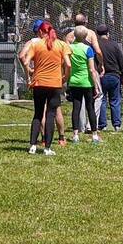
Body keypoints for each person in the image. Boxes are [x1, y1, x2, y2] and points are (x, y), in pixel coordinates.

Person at [23, 20, 70, 155]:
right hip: (55, 84)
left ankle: (32, 145)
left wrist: (29, 75)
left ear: (41, 32)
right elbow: (68, 64)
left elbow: (25, 60)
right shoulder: (61, 45)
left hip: (39, 83)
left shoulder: (36, 45)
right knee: (51, 114)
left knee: (38, 114)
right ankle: (47, 147)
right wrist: (65, 78)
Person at [68, 26, 102, 143]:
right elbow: (92, 69)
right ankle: (94, 135)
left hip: (74, 81)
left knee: (76, 108)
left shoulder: (69, 48)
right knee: (90, 108)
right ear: (85, 36)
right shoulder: (88, 49)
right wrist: (96, 86)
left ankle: (75, 135)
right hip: (87, 82)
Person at [95, 25, 123, 132]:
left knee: (102, 100)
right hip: (114, 75)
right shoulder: (114, 45)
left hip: (102, 76)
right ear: (108, 33)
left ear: (97, 34)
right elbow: (121, 60)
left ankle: (103, 124)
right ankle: (116, 124)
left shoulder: (97, 45)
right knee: (115, 100)